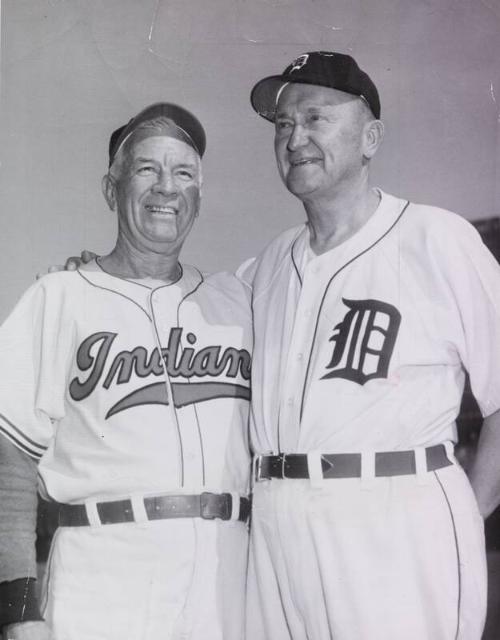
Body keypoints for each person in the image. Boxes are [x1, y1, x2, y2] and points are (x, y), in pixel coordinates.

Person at [240, 51, 500, 639]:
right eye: (282, 124)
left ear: (371, 137)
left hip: (395, 525)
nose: (294, 137)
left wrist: (463, 513)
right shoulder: (263, 269)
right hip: (276, 530)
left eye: (315, 117)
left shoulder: (437, 238)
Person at [0, 103, 252, 640]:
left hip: (227, 578)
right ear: (111, 189)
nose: (167, 188)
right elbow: (9, 465)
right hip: (103, 574)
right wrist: (18, 608)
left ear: (199, 200)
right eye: (146, 170)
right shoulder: (58, 296)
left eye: (183, 174)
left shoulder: (237, 301)